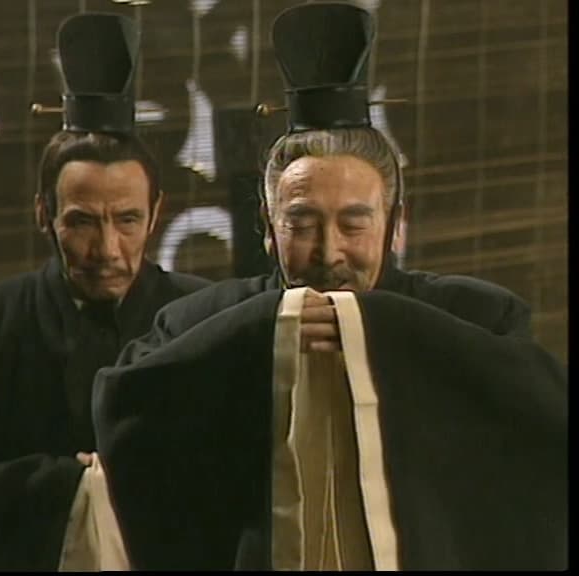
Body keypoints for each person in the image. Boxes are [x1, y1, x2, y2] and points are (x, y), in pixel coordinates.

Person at [91, 2, 567, 571]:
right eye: (303, 224)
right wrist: (267, 331)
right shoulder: (202, 321)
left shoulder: (476, 316)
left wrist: (375, 330)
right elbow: (124, 406)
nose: (328, 252)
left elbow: (537, 428)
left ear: (396, 225)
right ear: (268, 228)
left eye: (353, 224)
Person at [0, 13, 210, 571]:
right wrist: (63, 485)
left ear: (156, 214)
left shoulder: (206, 324)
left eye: (127, 220)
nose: (106, 248)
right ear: (44, 214)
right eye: (82, 222)